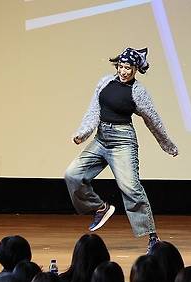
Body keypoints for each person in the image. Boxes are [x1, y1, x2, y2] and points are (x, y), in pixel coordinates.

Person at [65, 47, 179, 252]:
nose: (124, 71)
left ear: (135, 69)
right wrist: (82, 134)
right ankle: (100, 208)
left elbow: (153, 120)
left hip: (123, 141)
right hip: (101, 138)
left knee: (130, 188)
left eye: (129, 68)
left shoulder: (138, 91)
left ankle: (152, 237)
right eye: (121, 66)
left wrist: (167, 144)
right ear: (117, 65)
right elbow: (94, 110)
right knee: (72, 175)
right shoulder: (105, 82)